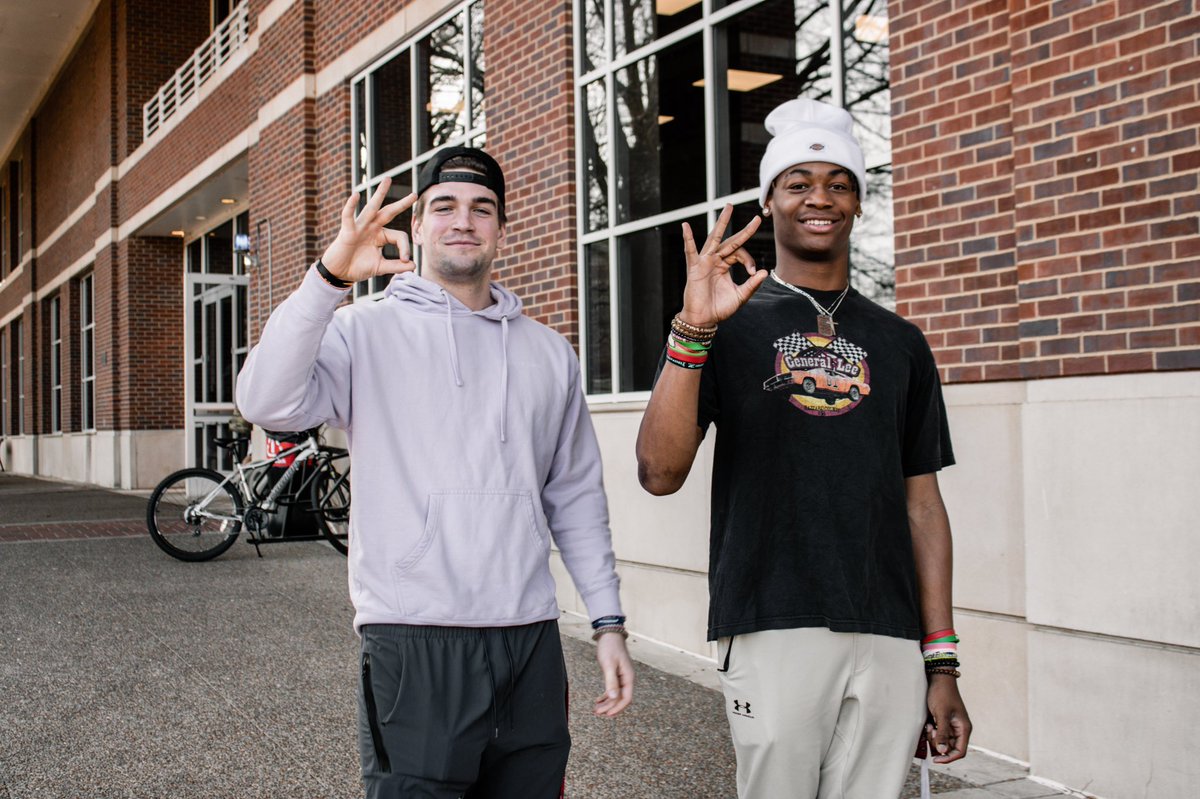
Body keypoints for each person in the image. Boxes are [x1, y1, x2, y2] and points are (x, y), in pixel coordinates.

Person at [236, 146, 634, 799]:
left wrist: (607, 620)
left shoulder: (547, 354)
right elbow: (264, 400)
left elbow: (575, 497)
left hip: (529, 640)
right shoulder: (361, 331)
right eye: (443, 206)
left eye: (482, 209)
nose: (462, 221)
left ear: (502, 228)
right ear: (416, 226)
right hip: (414, 635)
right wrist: (331, 275)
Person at [635, 98, 971, 798]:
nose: (821, 197)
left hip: (887, 629)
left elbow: (923, 507)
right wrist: (691, 331)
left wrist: (941, 662)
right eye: (799, 182)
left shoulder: (902, 342)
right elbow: (659, 472)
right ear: (770, 200)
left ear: (858, 201)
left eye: (839, 182)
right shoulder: (729, 323)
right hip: (770, 616)